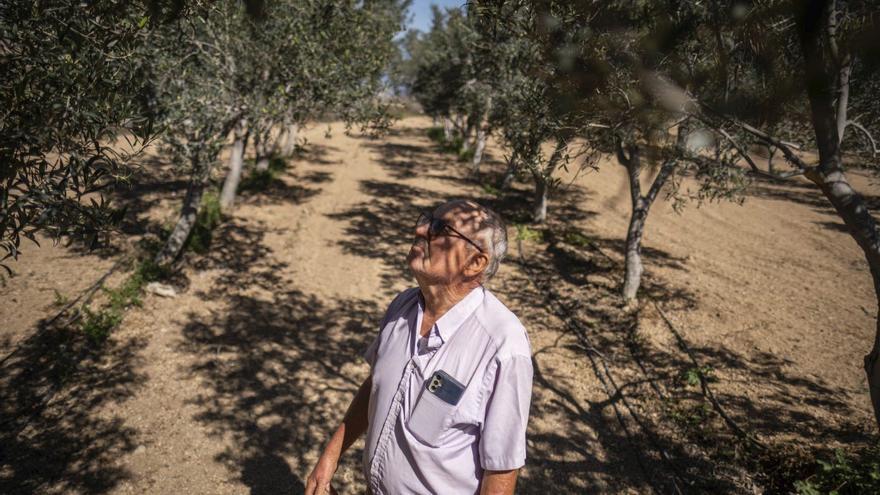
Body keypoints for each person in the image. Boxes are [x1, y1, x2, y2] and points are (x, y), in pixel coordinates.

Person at [306, 199, 534, 495]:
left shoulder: (502, 345)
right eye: (426, 218)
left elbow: (501, 469)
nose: (421, 229)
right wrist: (331, 456)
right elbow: (377, 384)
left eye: (440, 228)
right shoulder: (402, 306)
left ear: (475, 263)